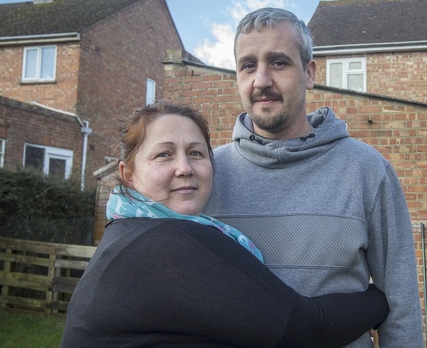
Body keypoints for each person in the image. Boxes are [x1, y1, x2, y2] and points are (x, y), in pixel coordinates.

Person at [60, 101, 389, 348]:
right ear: (128, 174)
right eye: (164, 155)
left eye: (196, 153)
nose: (184, 168)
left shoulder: (129, 230)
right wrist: (378, 301)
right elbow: (302, 329)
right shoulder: (163, 244)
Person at [204, 8, 425, 347]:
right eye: (248, 65)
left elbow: (401, 305)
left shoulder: (367, 170)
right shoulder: (207, 175)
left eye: (278, 63)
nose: (261, 80)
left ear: (309, 73)